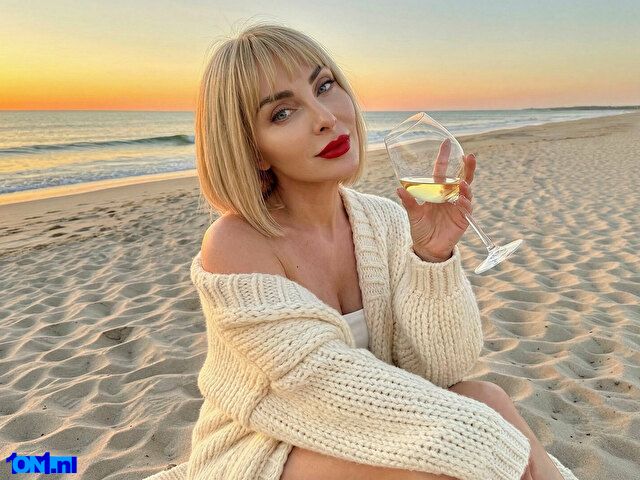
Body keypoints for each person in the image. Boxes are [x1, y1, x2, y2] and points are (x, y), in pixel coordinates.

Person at [143, 22, 579, 480]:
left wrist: (432, 260)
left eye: (324, 86)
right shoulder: (235, 243)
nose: (325, 117)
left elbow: (444, 368)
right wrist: (482, 441)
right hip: (265, 446)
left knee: (488, 397)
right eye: (282, 113)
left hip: (371, 431)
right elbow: (321, 384)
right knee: (461, 455)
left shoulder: (385, 219)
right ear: (253, 151)